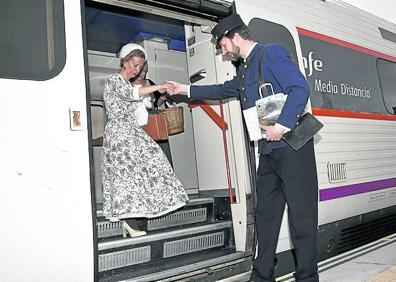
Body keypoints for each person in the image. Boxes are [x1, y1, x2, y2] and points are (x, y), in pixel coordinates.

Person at [168, 14, 319, 282]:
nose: (224, 52)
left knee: (302, 220)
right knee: (265, 217)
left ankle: (307, 278)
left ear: (236, 37)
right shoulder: (246, 69)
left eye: (224, 45)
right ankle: (261, 277)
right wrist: (185, 89)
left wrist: (281, 125)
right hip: (269, 153)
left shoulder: (270, 53)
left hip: (294, 149)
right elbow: (221, 90)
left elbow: (300, 88)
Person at [101, 43, 189, 238]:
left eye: (140, 66)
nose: (136, 69)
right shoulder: (113, 80)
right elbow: (132, 94)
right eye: (133, 64)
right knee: (125, 178)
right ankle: (129, 223)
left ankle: (140, 214)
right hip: (119, 135)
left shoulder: (128, 83)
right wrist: (159, 86)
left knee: (152, 163)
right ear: (124, 62)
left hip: (132, 132)